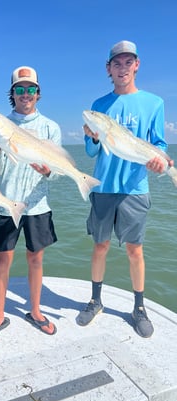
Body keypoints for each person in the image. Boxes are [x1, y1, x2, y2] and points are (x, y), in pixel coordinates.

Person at [79, 40, 174, 338]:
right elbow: (92, 152)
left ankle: (139, 307)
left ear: (137, 65)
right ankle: (95, 300)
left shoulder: (154, 103)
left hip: (135, 188)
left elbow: (157, 144)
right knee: (100, 245)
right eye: (116, 63)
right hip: (104, 187)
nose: (122, 68)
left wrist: (160, 162)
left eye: (128, 62)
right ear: (108, 68)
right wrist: (93, 138)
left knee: (135, 250)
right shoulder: (99, 106)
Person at [0, 66, 62, 342]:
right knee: (3, 259)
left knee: (36, 259)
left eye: (30, 89)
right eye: (19, 89)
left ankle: (36, 311)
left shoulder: (51, 128)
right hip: (5, 204)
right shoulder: (0, 125)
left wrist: (48, 171)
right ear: (12, 94)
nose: (25, 94)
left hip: (38, 205)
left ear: (38, 94)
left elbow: (56, 172)